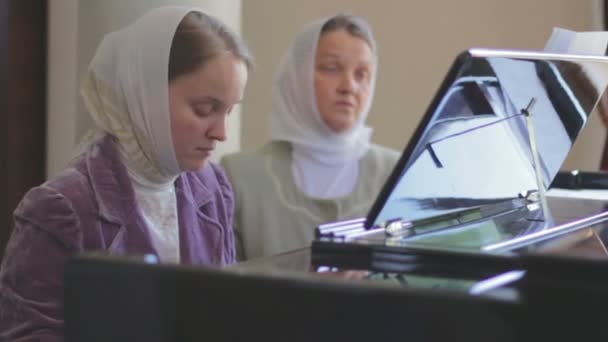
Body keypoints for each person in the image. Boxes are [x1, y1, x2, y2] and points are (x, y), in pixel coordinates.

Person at [0, 6, 251, 340]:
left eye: (229, 111)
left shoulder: (214, 188)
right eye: (205, 109)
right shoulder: (60, 209)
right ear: (144, 93)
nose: (220, 132)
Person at [221, 14, 399, 261]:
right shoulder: (239, 178)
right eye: (332, 68)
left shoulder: (397, 175)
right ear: (297, 76)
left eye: (362, 74)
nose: (349, 86)